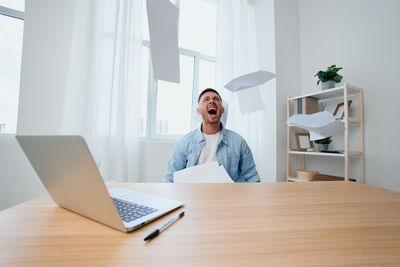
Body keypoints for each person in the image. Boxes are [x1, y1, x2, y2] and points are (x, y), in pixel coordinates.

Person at [164, 88, 260, 183]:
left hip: (229, 196)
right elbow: (171, 179)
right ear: (198, 111)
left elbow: (252, 177)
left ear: (222, 109)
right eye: (206, 99)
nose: (211, 101)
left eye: (216, 99)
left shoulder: (238, 141)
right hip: (194, 196)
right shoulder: (184, 143)